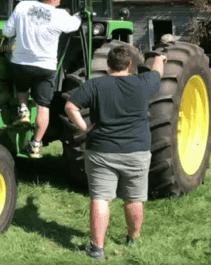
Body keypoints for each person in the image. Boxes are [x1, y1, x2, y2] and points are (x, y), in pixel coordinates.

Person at [64, 46, 166, 261]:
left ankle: (97, 248)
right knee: (134, 199)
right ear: (129, 65)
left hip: (101, 151)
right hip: (136, 151)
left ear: (108, 64)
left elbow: (71, 107)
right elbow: (157, 71)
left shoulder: (95, 85)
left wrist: (84, 128)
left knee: (101, 198)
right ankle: (133, 238)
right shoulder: (143, 83)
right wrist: (160, 57)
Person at [2, 0, 82, 158]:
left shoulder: (22, 7)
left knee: (21, 86)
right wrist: (79, 15)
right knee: (43, 106)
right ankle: (36, 144)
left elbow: (7, 32)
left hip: (21, 63)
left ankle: (22, 109)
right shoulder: (60, 15)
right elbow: (74, 26)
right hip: (45, 67)